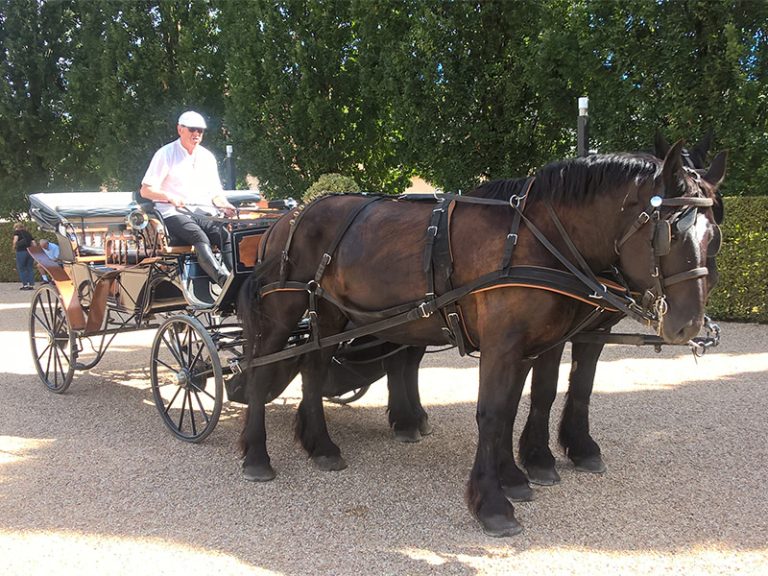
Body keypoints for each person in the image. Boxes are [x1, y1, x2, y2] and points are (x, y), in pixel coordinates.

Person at [140, 110, 235, 286]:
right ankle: (222, 281)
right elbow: (146, 191)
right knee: (200, 237)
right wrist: (169, 196)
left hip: (202, 212)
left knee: (224, 235)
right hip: (172, 213)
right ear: (180, 129)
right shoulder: (165, 153)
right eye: (192, 129)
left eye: (200, 130)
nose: (196, 134)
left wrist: (225, 205)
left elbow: (216, 193)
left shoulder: (207, 157)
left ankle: (237, 278)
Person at [12, 223, 36, 290]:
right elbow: (34, 243)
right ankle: (31, 285)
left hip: (21, 251)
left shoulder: (17, 232)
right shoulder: (28, 233)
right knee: (30, 268)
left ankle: (25, 285)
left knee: (22, 268)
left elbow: (15, 240)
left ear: (16, 227)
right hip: (30, 252)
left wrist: (14, 247)